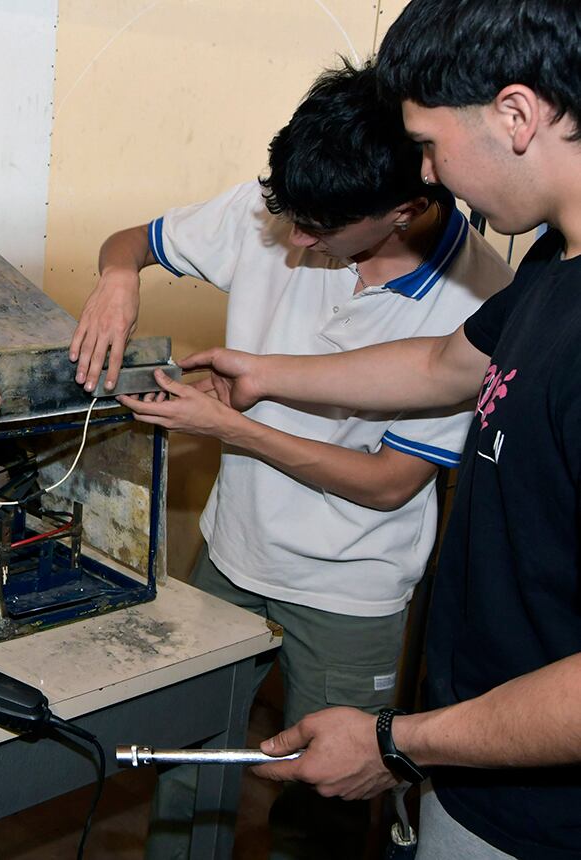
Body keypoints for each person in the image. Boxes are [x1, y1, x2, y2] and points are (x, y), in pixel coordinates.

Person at [168, 3, 581, 858]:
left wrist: (397, 744)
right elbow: (439, 366)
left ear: (516, 114)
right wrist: (266, 373)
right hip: (479, 766)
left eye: (429, 144)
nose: (428, 172)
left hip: (546, 817)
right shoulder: (552, 264)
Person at [69, 62, 511, 860]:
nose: (295, 240)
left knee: (328, 801)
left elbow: (387, 484)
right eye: (288, 214)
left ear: (404, 207)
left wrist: (232, 427)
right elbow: (132, 239)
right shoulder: (275, 210)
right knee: (189, 763)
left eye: (319, 231)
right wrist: (115, 277)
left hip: (350, 589)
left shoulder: (481, 302)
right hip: (233, 553)